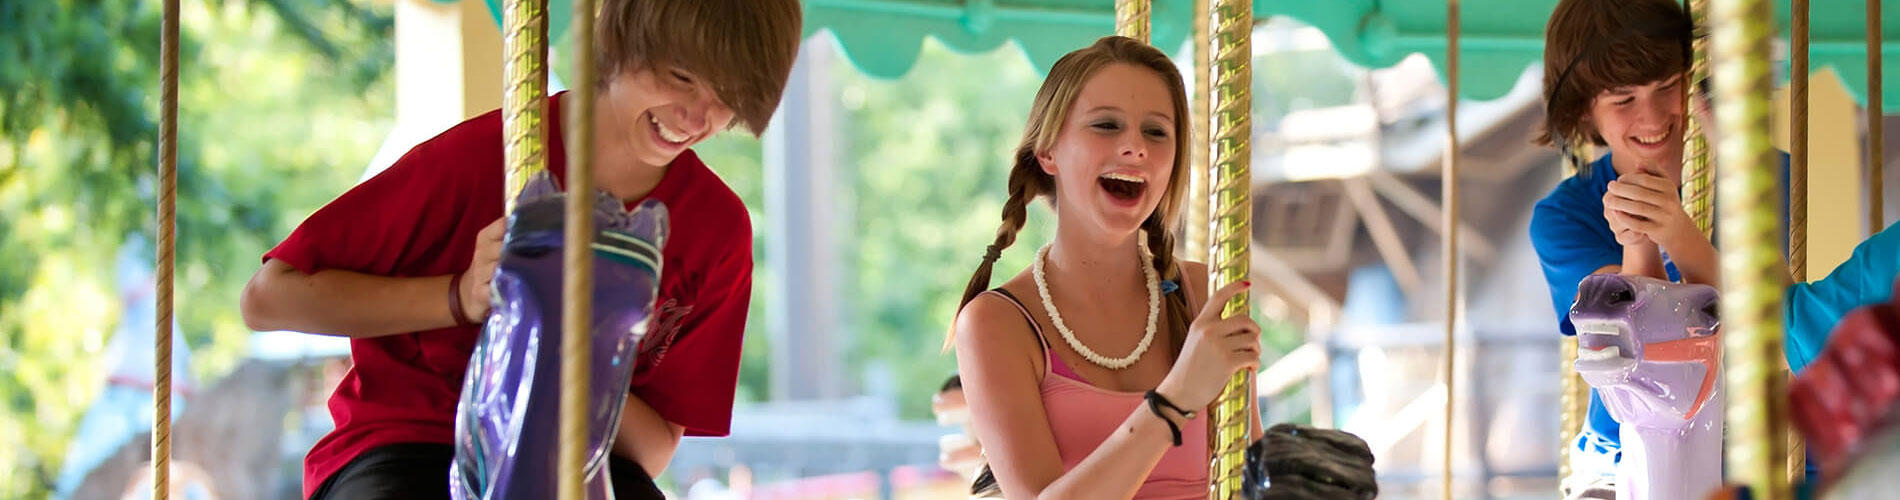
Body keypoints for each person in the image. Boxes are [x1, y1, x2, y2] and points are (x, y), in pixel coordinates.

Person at [236, 2, 802, 498]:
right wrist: (457, 297)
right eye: (681, 77)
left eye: (726, 97)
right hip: (414, 438)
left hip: (582, 457)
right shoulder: (476, 163)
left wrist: (569, 345)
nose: (697, 117)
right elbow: (268, 299)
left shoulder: (716, 233)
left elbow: (652, 452)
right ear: (623, 37)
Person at [1530, 0, 1900, 493]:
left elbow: (1778, 330)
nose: (1653, 116)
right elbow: (1639, 354)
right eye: (1623, 100)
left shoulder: (1763, 173)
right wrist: (1643, 239)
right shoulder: (1565, 217)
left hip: (1767, 437)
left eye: (1668, 87)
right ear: (1585, 110)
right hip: (1632, 442)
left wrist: (1688, 222)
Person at [949, 35, 1263, 499]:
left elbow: (1251, 478)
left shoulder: (1204, 293)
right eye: (1106, 126)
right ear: (1048, 152)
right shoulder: (997, 324)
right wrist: (1174, 400)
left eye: (1156, 132)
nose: (1135, 147)